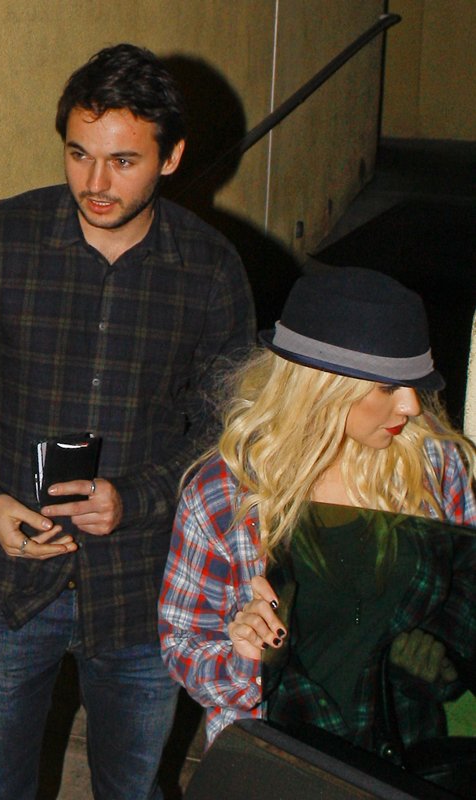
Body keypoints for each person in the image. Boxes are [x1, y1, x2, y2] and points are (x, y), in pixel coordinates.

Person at [0, 43, 254, 800]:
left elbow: (230, 430)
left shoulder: (210, 268)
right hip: (3, 581)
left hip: (140, 587)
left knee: (131, 788)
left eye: (123, 161)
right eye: (79, 154)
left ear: (172, 158)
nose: (95, 184)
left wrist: (138, 497)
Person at [159, 265, 475, 753]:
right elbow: (183, 643)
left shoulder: (434, 465)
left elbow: (465, 601)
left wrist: (439, 659)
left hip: (402, 749)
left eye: (414, 385)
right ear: (323, 386)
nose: (413, 406)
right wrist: (247, 657)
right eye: (388, 387)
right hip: (277, 757)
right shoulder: (224, 493)